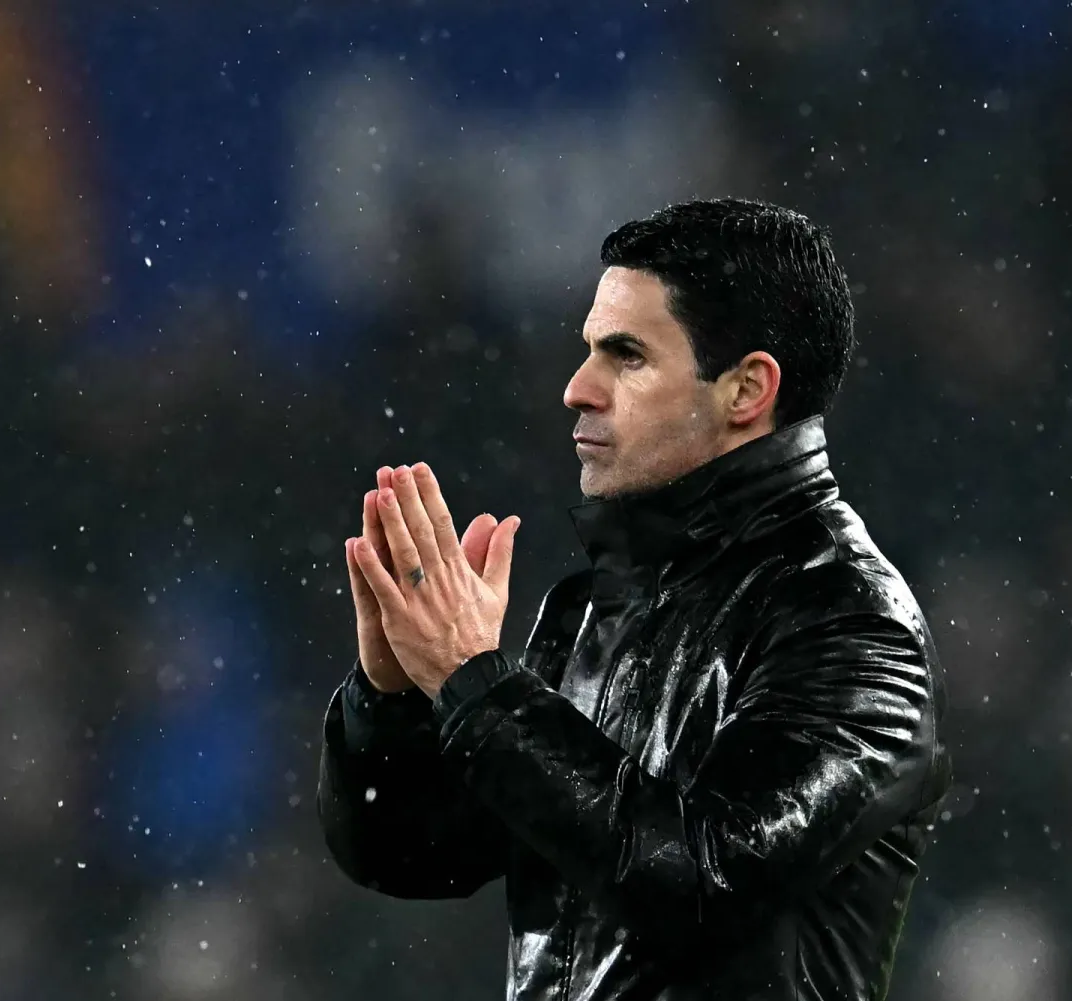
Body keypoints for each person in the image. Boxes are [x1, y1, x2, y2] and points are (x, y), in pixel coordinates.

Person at [318, 198, 951, 1000]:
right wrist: (395, 697)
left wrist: (476, 684)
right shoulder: (588, 609)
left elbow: (704, 882)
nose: (578, 388)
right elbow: (414, 854)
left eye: (626, 355)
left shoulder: (852, 626)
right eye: (589, 350)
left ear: (746, 389)